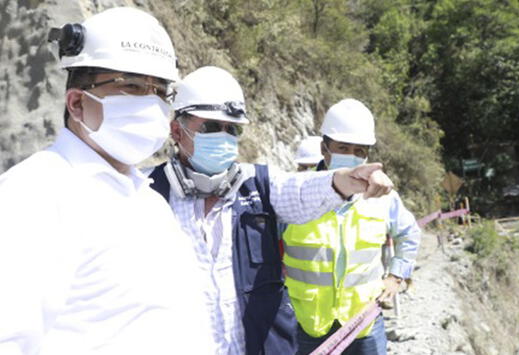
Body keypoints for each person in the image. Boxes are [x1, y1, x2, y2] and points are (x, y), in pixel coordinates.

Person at [0, 7, 216, 355]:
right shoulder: (35, 194)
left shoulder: (148, 199)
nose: (152, 102)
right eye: (131, 85)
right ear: (76, 102)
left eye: (160, 91)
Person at [148, 66, 394, 355]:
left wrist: (344, 181)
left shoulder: (258, 186)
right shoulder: (147, 194)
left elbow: (300, 190)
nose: (225, 138)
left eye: (233, 129)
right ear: (177, 130)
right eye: (212, 127)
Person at [282, 99, 421, 355]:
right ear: (325, 149)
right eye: (343, 147)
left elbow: (409, 233)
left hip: (363, 322)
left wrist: (395, 276)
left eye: (359, 150)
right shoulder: (297, 191)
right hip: (306, 323)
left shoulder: (384, 197)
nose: (352, 156)